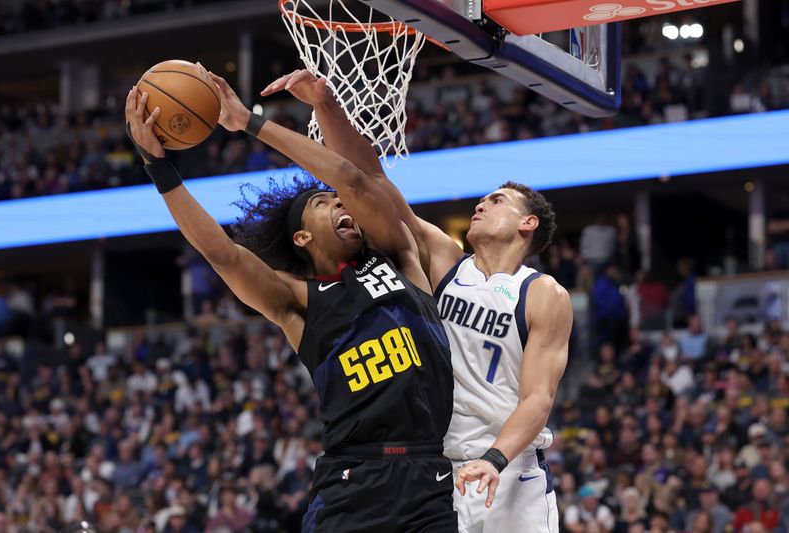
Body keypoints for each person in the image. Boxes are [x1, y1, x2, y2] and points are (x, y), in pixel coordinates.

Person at [125, 64, 456, 532]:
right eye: (325, 204)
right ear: (302, 238)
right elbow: (223, 254)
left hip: (429, 475)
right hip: (352, 479)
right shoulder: (298, 301)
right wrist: (159, 167)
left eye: (337, 200)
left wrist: (251, 123)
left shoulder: (401, 258)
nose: (340, 203)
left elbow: (354, 179)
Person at [262, 69, 571, 532]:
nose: (482, 204)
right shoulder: (446, 263)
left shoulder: (542, 293)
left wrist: (493, 458)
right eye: (483, 198)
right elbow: (369, 178)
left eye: (499, 200)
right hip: (440, 472)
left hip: (508, 469)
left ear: (527, 225)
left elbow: (538, 398)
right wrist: (326, 106)